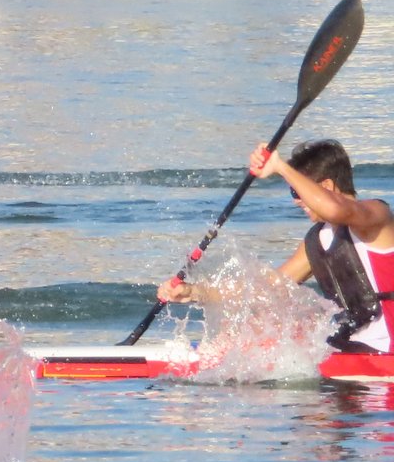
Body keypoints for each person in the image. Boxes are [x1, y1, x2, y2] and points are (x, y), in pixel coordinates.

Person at [158, 140, 394, 353]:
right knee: (263, 323)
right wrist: (195, 292)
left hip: (386, 352)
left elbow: (336, 209)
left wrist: (280, 166)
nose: (295, 200)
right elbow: (267, 289)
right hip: (352, 348)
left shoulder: (376, 216)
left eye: (297, 190)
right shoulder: (318, 239)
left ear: (328, 187)